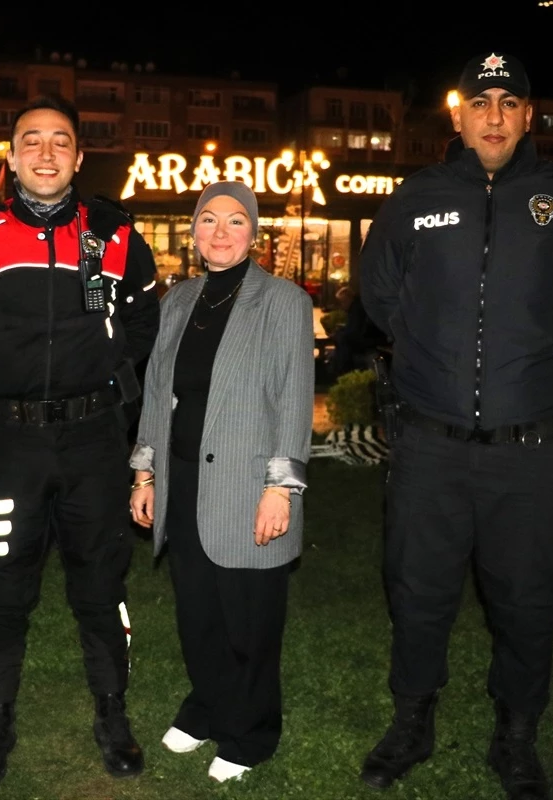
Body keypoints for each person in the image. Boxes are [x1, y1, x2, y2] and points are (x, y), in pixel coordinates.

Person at [358, 52, 553, 800]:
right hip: (429, 445)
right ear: (458, 114)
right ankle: (412, 722)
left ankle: (516, 736)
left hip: (532, 451)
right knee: (418, 592)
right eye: (479, 100)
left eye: (508, 101)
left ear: (526, 116)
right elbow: (378, 290)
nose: (492, 114)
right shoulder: (418, 196)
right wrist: (427, 351)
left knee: (526, 599)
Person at [0, 94, 160, 787]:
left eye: (60, 141)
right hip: (10, 446)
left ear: (79, 156)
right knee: (4, 586)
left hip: (94, 444)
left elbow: (146, 325)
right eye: (31, 140)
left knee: (100, 583)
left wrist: (115, 386)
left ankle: (112, 714)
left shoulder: (118, 235)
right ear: (11, 156)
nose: (46, 153)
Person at [128, 181, 314, 784]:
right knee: (198, 612)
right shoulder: (177, 301)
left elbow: (294, 399)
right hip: (183, 485)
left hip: (248, 485)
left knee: (249, 620)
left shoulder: (283, 301)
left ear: (254, 233)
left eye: (236, 221)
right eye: (210, 219)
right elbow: (158, 392)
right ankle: (208, 705)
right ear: (194, 229)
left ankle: (251, 732)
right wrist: (145, 471)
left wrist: (279, 487)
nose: (221, 232)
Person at [329, 284, 386, 377]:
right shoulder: (356, 308)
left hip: (368, 341)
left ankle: (340, 372)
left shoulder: (356, 310)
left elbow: (353, 332)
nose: (342, 306)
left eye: (343, 302)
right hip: (368, 339)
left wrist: (339, 334)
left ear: (349, 299)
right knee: (341, 340)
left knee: (342, 342)